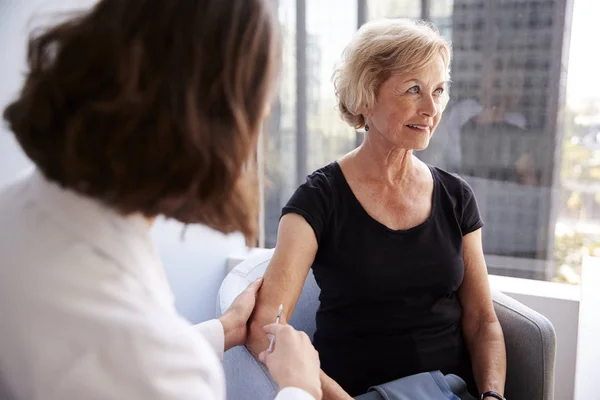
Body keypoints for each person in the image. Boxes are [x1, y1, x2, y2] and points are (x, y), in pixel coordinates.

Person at [0, 1, 321, 399]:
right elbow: (134, 359)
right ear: (217, 121)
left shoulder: (17, 208)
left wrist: (223, 330)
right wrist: (300, 388)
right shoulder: (141, 355)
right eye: (260, 102)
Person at [248, 19, 507, 400]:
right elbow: (265, 329)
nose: (431, 108)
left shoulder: (457, 197)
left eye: (438, 90)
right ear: (366, 96)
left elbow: (484, 322)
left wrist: (492, 395)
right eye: (413, 89)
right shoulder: (318, 199)